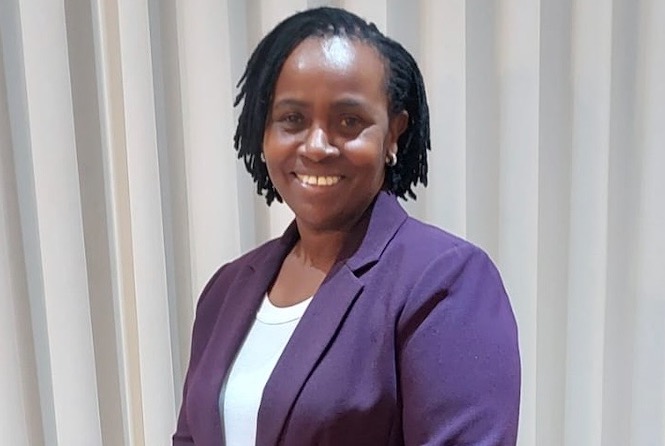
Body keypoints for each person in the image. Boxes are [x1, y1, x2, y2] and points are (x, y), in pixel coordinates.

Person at [173, 6, 520, 446]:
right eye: (292, 119)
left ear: (393, 134)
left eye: (349, 122)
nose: (317, 146)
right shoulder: (225, 291)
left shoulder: (444, 281)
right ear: (263, 132)